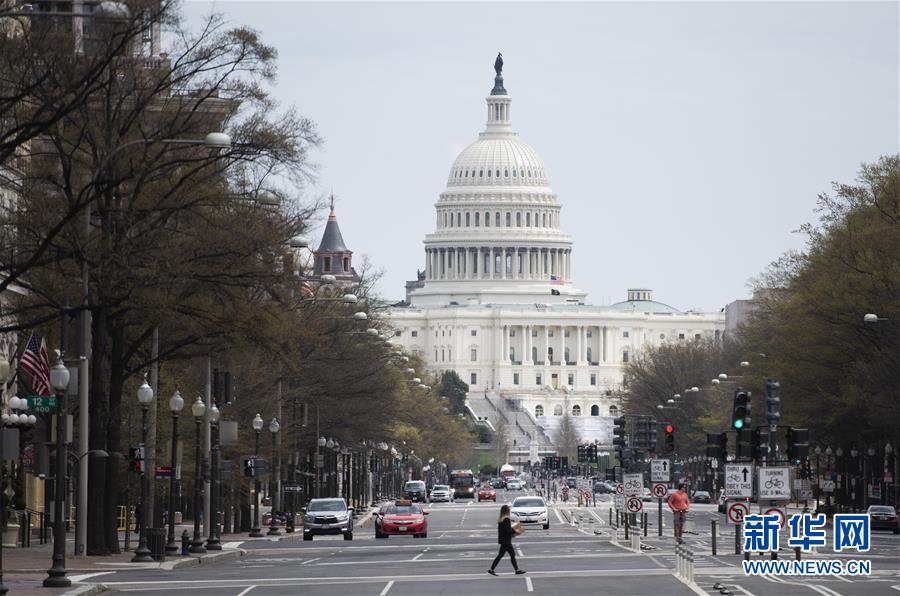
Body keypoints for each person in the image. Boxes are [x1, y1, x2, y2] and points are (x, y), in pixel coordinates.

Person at [488, 504, 526, 576]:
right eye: (509, 510)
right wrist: (516, 531)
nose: (510, 511)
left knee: (509, 554)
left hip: (504, 540)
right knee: (505, 555)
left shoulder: (501, 519)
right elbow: (508, 531)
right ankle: (491, 569)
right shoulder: (506, 519)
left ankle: (517, 570)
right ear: (507, 511)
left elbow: (504, 530)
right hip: (506, 541)